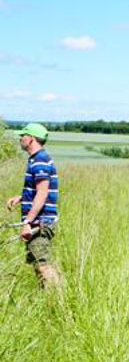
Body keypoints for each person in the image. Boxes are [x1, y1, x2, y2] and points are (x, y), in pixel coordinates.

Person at [5, 123, 62, 288]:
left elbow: (42, 194)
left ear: (30, 139)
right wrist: (22, 198)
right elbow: (39, 190)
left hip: (40, 222)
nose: (20, 138)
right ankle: (47, 297)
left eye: (22, 135)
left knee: (42, 264)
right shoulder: (37, 160)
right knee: (38, 263)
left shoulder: (40, 161)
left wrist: (27, 223)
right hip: (38, 221)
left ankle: (59, 298)